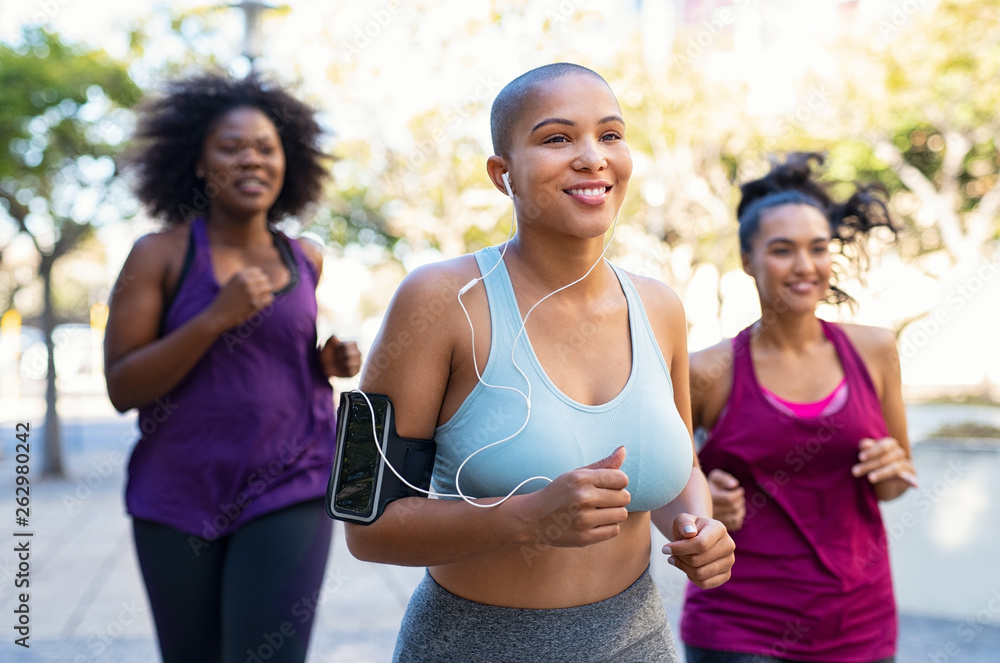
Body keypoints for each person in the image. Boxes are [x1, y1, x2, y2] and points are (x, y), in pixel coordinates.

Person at [345, 62, 735, 663]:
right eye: (557, 138)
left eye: (610, 135)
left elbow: (677, 460)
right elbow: (363, 522)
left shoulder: (661, 307)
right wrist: (526, 518)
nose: (592, 157)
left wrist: (697, 525)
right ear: (503, 175)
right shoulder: (435, 300)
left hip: (639, 643)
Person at [103, 71, 360, 663]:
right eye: (232, 147)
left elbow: (279, 358)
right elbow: (122, 387)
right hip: (179, 490)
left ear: (287, 163)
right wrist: (214, 317)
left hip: (290, 482)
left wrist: (326, 361)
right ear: (197, 162)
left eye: (266, 148)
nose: (252, 159)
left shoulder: (305, 257)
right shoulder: (159, 255)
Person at [680, 153, 918, 663]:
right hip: (740, 630)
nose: (806, 266)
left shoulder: (875, 350)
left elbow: (896, 484)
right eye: (783, 250)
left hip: (861, 623)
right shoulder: (707, 372)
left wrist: (891, 468)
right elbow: (669, 495)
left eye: (817, 248)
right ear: (748, 260)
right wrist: (702, 505)